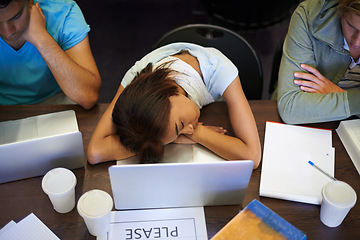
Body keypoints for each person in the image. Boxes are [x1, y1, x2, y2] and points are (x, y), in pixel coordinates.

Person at [88, 42, 261, 169]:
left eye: (180, 127)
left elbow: (252, 156)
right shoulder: (136, 89)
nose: (189, 130)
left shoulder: (219, 69)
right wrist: (176, 137)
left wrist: (196, 132)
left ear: (169, 92)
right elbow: (95, 151)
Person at [0, 0, 101, 109]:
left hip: (56, 99)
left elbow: (88, 96)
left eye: (16, 16)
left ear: (30, 2)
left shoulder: (63, 12)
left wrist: (42, 38)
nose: (8, 32)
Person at [275, 0, 360, 124]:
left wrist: (339, 94)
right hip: (311, 125)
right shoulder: (310, 14)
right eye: (350, 25)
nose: (357, 42)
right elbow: (290, 107)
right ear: (341, 10)